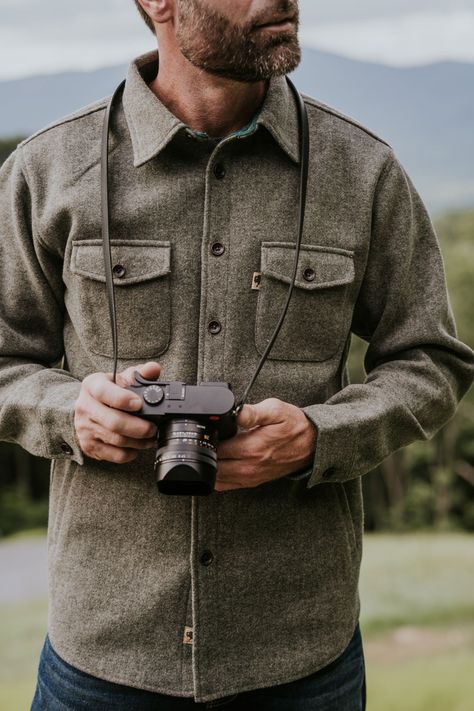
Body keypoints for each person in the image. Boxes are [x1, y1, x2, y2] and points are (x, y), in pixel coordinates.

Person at [0, 0, 473, 709]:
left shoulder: (365, 170)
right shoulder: (47, 168)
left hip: (300, 657)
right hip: (102, 657)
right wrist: (73, 410)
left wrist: (320, 435)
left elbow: (432, 359)